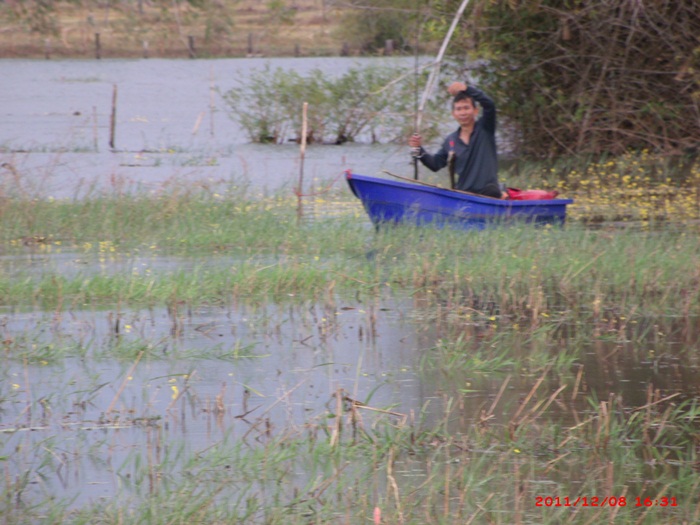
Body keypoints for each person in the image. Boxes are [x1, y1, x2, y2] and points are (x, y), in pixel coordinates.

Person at [409, 82, 504, 198]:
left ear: (475, 111)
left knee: (492, 191)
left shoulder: (485, 128)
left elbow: (489, 105)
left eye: (466, 108)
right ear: (454, 114)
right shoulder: (450, 141)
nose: (463, 112)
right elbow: (435, 164)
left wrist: (467, 88)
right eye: (459, 109)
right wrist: (418, 149)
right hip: (464, 194)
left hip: (488, 193)